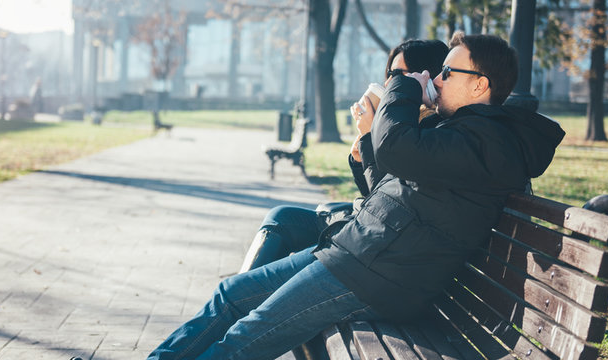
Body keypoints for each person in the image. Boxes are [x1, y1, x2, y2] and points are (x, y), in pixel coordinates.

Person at [148, 32, 565, 360]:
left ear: (480, 86)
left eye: (448, 73)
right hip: (358, 255)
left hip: (378, 275)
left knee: (246, 338)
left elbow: (398, 151)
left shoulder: (487, 143)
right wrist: (370, 138)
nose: (437, 80)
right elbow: (395, 182)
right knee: (230, 297)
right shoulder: (464, 133)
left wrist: (400, 87)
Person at [239, 39, 449, 272]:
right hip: (359, 223)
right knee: (280, 217)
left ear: (427, 78)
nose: (389, 82)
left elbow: (386, 203)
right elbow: (371, 190)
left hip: (369, 244)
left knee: (276, 238)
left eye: (400, 74)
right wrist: (360, 154)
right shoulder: (401, 120)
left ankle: (241, 292)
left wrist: (370, 136)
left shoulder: (428, 130)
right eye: (389, 73)